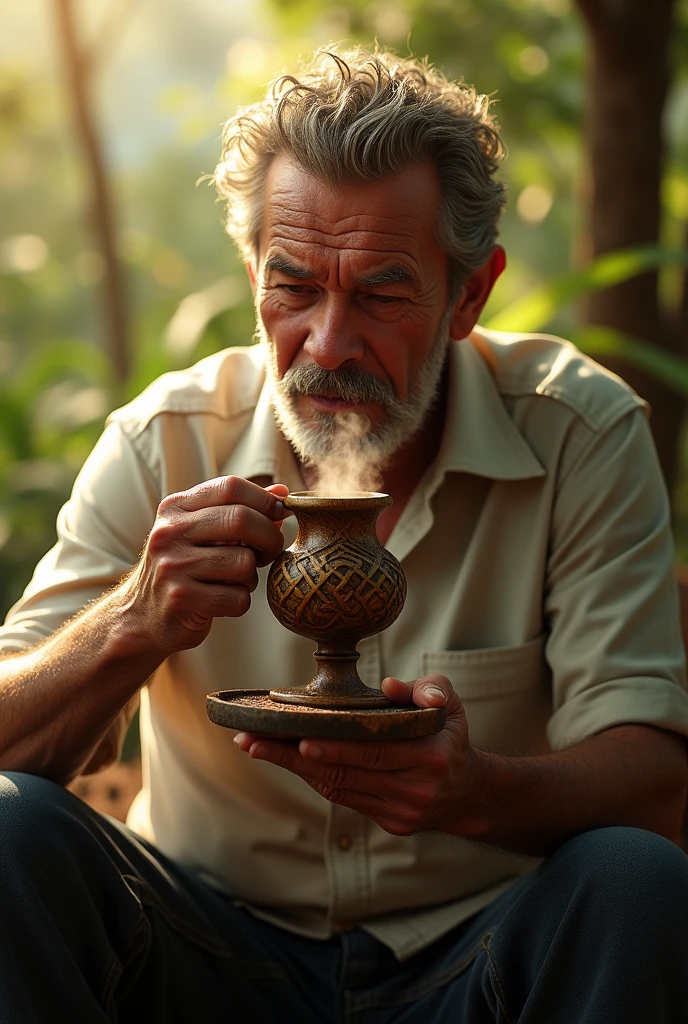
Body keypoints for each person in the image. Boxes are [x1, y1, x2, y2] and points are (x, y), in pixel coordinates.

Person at [1, 45, 688, 1024]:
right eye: (294, 288)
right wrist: (131, 622)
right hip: (197, 957)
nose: (327, 345)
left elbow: (654, 786)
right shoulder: (166, 444)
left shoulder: (580, 433)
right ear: (251, 276)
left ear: (469, 295)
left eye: (378, 293)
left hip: (475, 963)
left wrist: (473, 792)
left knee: (631, 880)